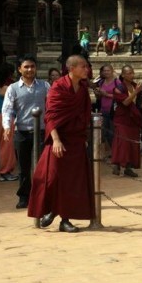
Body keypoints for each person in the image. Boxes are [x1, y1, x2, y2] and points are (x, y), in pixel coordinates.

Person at [27, 55, 95, 233]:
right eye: (83, 67)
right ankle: (50, 209)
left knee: (73, 181)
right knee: (51, 177)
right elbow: (51, 115)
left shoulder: (82, 89)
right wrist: (55, 139)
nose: (86, 70)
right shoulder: (58, 87)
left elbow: (84, 115)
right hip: (59, 139)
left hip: (76, 140)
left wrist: (84, 137)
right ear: (71, 69)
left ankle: (65, 219)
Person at [2, 54, 50, 209]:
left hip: (42, 132)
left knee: (43, 166)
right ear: (19, 69)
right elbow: (7, 109)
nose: (30, 69)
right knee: (23, 167)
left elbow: (51, 107)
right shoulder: (13, 88)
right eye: (26, 67)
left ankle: (43, 196)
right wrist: (7, 127)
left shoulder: (45, 86)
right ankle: (24, 197)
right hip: (22, 132)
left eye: (32, 66)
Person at [111, 65, 142, 177]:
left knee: (132, 143)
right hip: (122, 119)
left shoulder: (135, 85)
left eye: (132, 72)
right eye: (129, 73)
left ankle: (128, 167)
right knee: (122, 143)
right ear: (123, 75)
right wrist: (136, 92)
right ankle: (117, 164)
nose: (131, 75)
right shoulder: (119, 88)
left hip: (133, 119)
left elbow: (138, 101)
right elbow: (125, 102)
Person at [0, 63, 18, 183]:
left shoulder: (0, 86)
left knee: (6, 145)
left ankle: (6, 171)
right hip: (6, 118)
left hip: (1, 117)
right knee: (7, 146)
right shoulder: (6, 88)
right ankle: (5, 171)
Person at [93, 64, 117, 158]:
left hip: (113, 111)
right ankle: (107, 153)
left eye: (108, 70)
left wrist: (106, 94)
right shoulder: (101, 82)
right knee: (104, 134)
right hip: (103, 110)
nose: (106, 72)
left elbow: (120, 97)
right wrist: (98, 93)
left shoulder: (117, 82)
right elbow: (99, 97)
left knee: (112, 134)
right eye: (104, 71)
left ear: (112, 71)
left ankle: (115, 154)